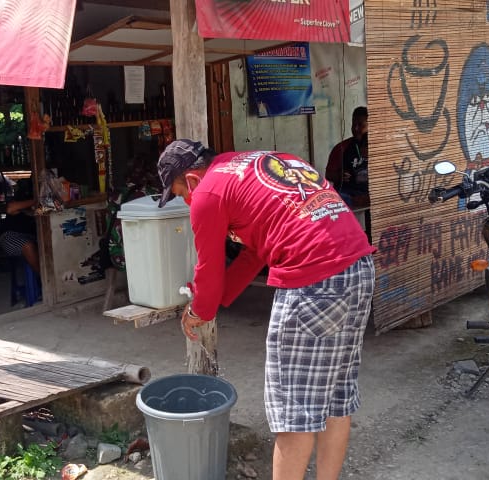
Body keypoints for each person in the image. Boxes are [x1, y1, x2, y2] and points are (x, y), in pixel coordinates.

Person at [157, 140, 376, 480]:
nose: (187, 202)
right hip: (358, 267)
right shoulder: (262, 161)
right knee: (335, 398)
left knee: (294, 413)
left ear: (192, 178)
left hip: (312, 280)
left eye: (181, 193)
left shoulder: (207, 194)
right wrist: (213, 305)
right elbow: (255, 253)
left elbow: (208, 271)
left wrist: (199, 309)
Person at [324, 106, 369, 206]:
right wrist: (339, 176)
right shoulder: (341, 148)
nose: (355, 128)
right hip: (348, 196)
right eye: (354, 124)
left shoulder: (380, 149)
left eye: (360, 125)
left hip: (370, 196)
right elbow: (328, 175)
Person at [0, 178, 40, 274]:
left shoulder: (38, 208)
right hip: (10, 237)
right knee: (28, 245)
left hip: (30, 237)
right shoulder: (19, 203)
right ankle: (43, 278)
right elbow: (10, 208)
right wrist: (37, 200)